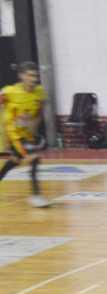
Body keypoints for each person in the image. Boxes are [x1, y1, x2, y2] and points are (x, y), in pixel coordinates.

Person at [0, 62, 49, 208]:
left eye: (35, 76)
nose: (34, 79)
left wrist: (33, 129)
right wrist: (5, 138)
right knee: (34, 158)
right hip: (14, 134)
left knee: (14, 161)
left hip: (27, 134)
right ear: (21, 76)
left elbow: (39, 113)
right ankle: (36, 195)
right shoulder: (9, 92)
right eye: (30, 75)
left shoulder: (40, 92)